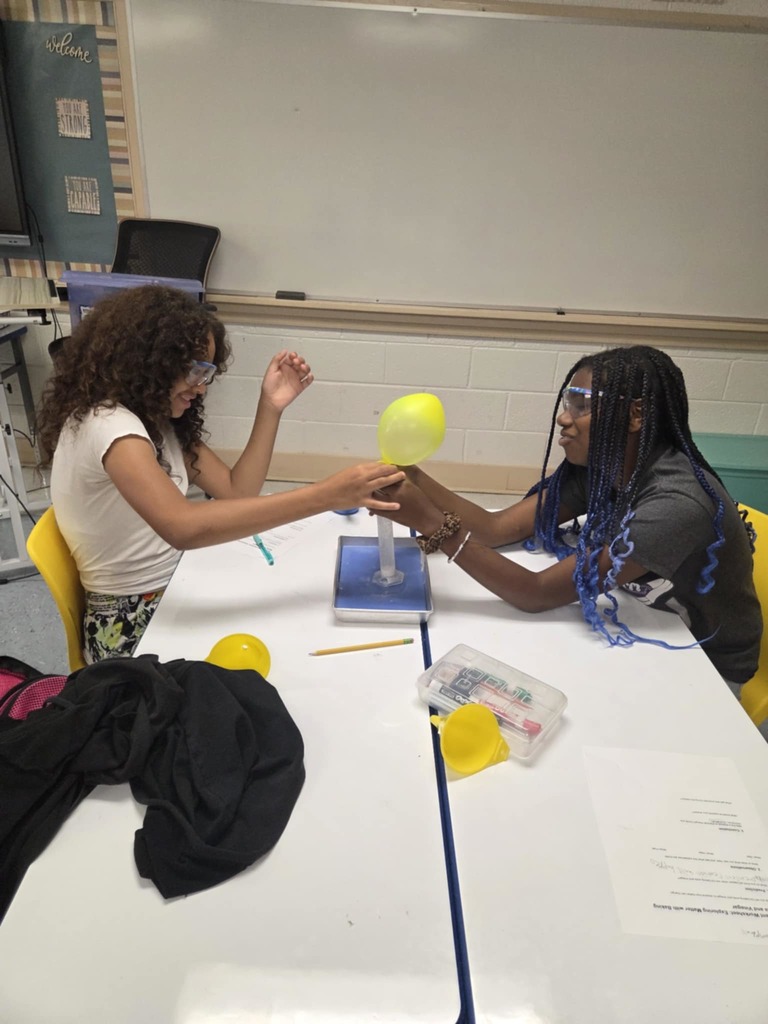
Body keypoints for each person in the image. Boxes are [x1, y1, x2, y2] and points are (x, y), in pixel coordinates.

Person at [37, 284, 404, 663]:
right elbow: (183, 527)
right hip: (133, 627)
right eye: (194, 370)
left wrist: (271, 406)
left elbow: (235, 492)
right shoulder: (110, 425)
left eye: (207, 372)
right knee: (295, 645)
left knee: (295, 608)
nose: (200, 386)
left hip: (172, 589)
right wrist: (326, 495)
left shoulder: (155, 420)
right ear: (150, 361)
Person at [377, 345, 762, 695]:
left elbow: (536, 593)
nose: (564, 417)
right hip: (639, 622)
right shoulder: (600, 468)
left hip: (702, 666)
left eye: (582, 404)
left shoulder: (677, 503)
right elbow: (494, 529)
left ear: (635, 414)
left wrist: (434, 524)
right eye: (568, 401)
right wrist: (410, 473)